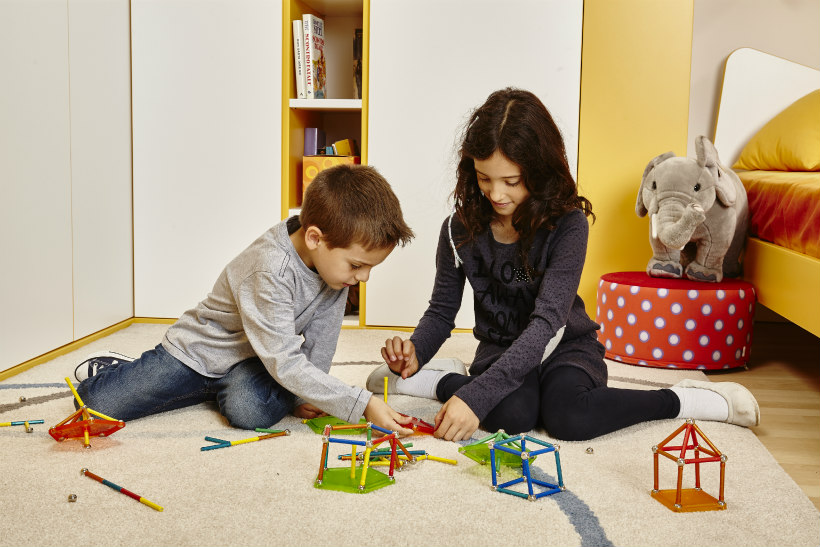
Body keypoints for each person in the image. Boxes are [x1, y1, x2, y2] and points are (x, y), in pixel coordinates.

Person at [367, 88, 760, 442]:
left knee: (570, 418)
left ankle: (683, 400)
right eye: (485, 179)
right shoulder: (459, 230)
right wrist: (416, 350)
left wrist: (475, 394)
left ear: (538, 172)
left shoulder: (568, 226)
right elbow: (441, 311)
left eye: (512, 180)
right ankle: (431, 379)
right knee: (512, 416)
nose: (496, 194)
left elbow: (547, 322)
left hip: (563, 345)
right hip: (502, 349)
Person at [75, 164, 417, 435]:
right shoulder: (270, 268)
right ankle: (127, 368)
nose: (364, 277)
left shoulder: (335, 273)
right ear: (315, 238)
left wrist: (304, 395)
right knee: (95, 403)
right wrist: (361, 403)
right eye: (358, 265)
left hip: (258, 359)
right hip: (199, 353)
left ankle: (226, 389)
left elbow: (319, 347)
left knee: (249, 413)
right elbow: (287, 364)